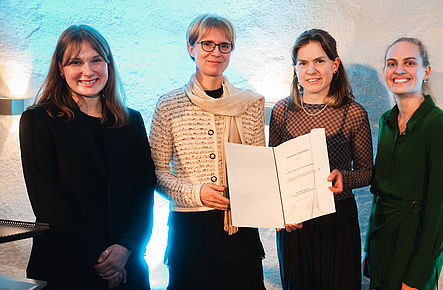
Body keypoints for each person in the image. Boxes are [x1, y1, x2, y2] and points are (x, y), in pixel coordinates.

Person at [19, 25, 156, 290]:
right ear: (60, 67)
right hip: (66, 266)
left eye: (96, 60)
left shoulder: (130, 121)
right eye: (75, 62)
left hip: (128, 266)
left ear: (108, 63)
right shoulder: (39, 121)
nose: (88, 71)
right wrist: (104, 261)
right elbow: (49, 204)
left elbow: (143, 190)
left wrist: (126, 248)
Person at [149, 14, 266, 290]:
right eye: (207, 44)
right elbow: (155, 172)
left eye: (225, 46)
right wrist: (196, 193)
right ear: (192, 48)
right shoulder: (169, 105)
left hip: (240, 227)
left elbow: (260, 168)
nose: (216, 52)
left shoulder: (249, 104)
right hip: (191, 229)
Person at [269, 29, 373, 290]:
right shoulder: (282, 111)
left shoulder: (353, 113)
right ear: (295, 68)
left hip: (337, 222)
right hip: (294, 225)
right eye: (303, 63)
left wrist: (344, 177)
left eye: (319, 61)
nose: (311, 70)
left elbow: (367, 171)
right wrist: (279, 213)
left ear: (335, 65)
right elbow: (272, 171)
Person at [363, 37, 443, 290]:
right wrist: (368, 249)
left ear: (425, 71)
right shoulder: (386, 121)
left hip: (413, 245)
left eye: (409, 63)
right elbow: (379, 194)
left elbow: (441, 214)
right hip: (382, 240)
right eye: (391, 63)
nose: (399, 71)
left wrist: (418, 275)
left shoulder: (440, 126)